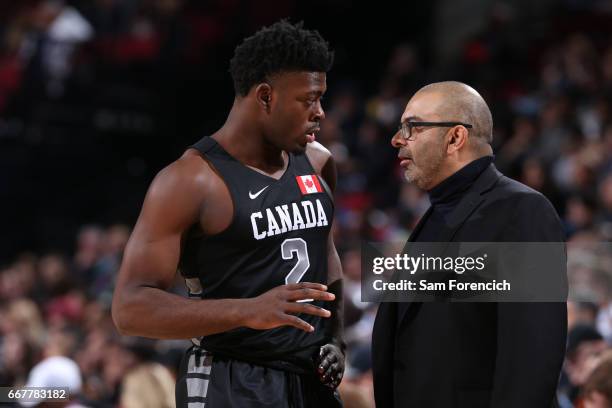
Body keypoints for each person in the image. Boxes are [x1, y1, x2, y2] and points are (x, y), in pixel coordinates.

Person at [111, 20, 345, 408]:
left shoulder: (319, 163)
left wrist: (335, 339)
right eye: (309, 99)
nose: (320, 113)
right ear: (266, 97)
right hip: (231, 379)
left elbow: (326, 252)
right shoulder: (190, 181)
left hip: (309, 380)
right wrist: (249, 310)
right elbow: (130, 309)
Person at [372, 81, 567, 408]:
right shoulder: (437, 213)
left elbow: (532, 355)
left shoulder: (521, 211)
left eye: (413, 127)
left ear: (455, 137)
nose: (397, 140)